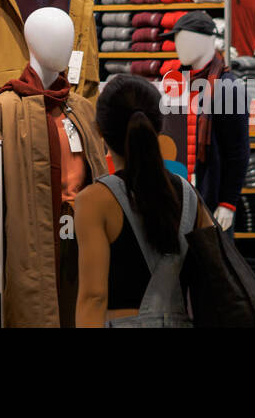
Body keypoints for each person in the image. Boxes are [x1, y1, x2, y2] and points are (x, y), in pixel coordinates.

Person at [74, 74, 213, 327]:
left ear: (99, 130)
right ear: (158, 127)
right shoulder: (189, 195)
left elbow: (93, 297)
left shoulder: (94, 201)